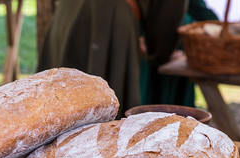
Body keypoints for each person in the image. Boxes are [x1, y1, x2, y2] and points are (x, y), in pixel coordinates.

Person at [37, 0, 187, 119]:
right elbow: (168, 12)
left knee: (56, 105)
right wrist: (159, 51)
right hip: (107, 17)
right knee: (99, 120)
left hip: (69, 11)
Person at [140, 0, 218, 107]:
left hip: (173, 40)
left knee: (173, 99)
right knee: (149, 92)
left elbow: (199, 9)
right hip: (148, 41)